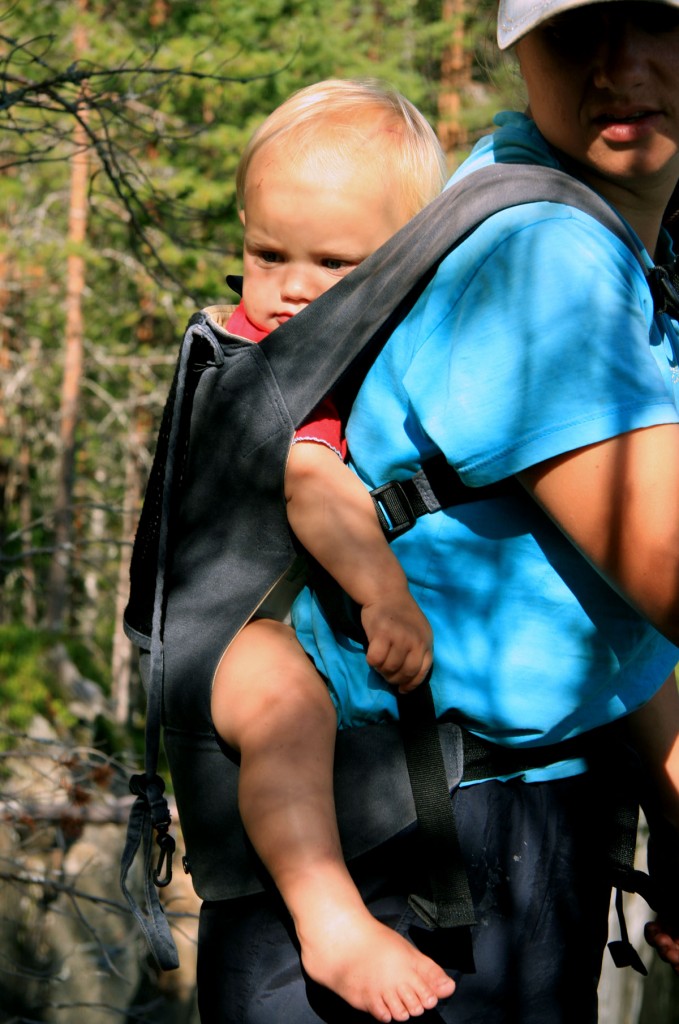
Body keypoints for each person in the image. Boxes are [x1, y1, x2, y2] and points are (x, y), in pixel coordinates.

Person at [195, 4, 679, 1022]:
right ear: (514, 42)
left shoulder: (568, 208)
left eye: (661, 24)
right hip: (426, 852)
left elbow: (603, 611)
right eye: (581, 25)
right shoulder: (544, 256)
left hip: (494, 828)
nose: (623, 64)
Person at [209, 79, 455, 1023]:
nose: (292, 289)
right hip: (236, 632)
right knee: (283, 711)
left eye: (333, 265)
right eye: (267, 255)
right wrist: (382, 594)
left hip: (283, 614)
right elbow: (311, 483)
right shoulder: (272, 362)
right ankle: (329, 919)